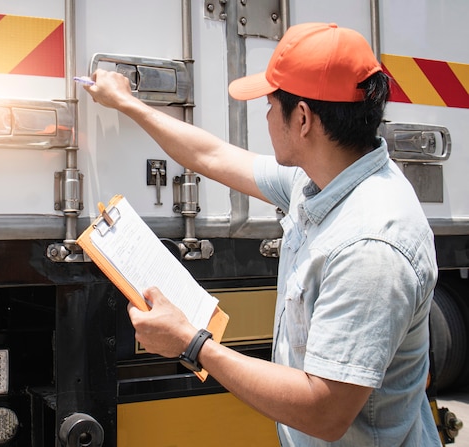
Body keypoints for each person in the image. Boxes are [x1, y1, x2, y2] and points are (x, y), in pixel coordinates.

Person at [83, 22, 441, 446]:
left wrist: (191, 343)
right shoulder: (323, 177)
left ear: (303, 118)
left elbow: (324, 412)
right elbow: (210, 155)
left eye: (271, 105)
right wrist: (128, 104)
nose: (268, 116)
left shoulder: (371, 247)